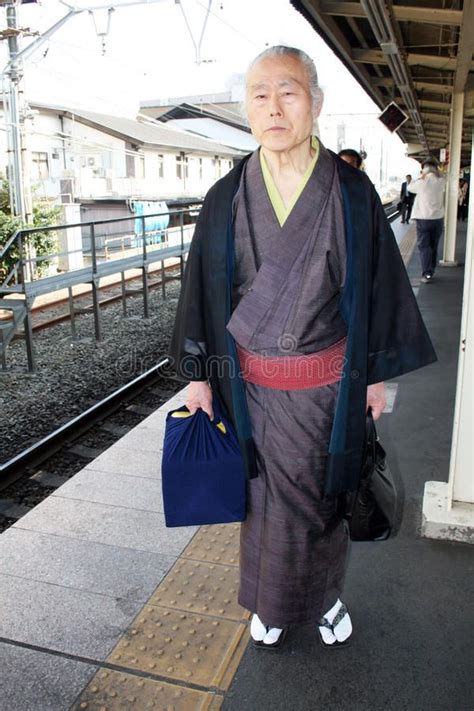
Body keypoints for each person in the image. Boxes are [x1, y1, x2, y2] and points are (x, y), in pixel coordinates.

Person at [170, 45, 436, 650]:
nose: (273, 106)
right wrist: (199, 375)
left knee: (325, 496)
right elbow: (200, 290)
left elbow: (377, 287)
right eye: (260, 94)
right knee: (262, 501)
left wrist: (373, 376)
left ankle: (323, 599)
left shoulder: (350, 191)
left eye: (288, 91)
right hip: (251, 388)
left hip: (328, 385)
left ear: (314, 103)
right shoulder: (226, 196)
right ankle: (271, 601)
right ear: (247, 108)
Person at [408, 158, 446, 283]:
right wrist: (439, 173)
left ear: (423, 169)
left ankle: (427, 273)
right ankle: (431, 270)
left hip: (423, 220)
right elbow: (445, 179)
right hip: (438, 220)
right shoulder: (441, 181)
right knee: (433, 246)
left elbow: (409, 187)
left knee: (424, 247)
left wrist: (421, 176)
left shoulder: (421, 183)